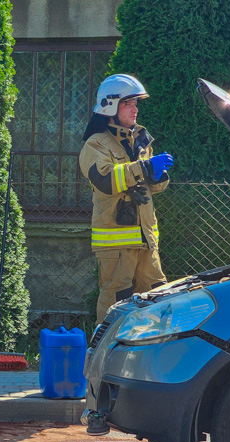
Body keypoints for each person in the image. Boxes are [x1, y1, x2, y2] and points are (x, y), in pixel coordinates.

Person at [79, 74, 174, 323]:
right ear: (110, 106)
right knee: (115, 306)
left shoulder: (141, 140)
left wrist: (156, 175)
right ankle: (104, 357)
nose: (135, 109)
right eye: (128, 103)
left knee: (157, 300)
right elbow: (106, 181)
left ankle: (150, 357)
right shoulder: (96, 144)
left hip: (146, 241)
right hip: (116, 247)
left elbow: (154, 188)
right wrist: (143, 168)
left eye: (136, 103)